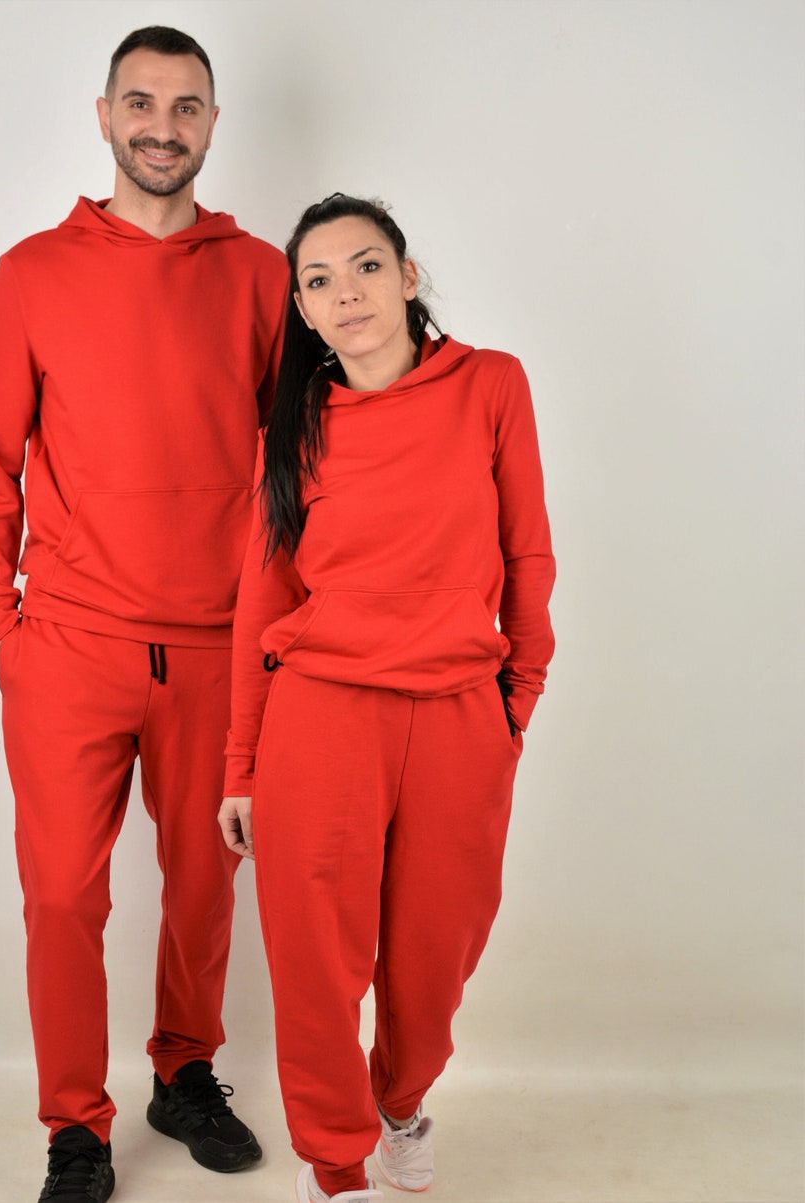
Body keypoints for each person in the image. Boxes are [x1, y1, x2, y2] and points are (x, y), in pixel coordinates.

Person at [0, 26, 288, 1203]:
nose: (163, 125)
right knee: (60, 895)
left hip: (217, 650)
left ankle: (183, 1072)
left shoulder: (259, 276)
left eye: (187, 106)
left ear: (211, 122)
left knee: (205, 886)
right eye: (140, 103)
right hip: (69, 647)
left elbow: (300, 465)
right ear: (103, 116)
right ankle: (75, 1129)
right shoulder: (32, 273)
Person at [219, 193, 555, 1203]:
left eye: (365, 266)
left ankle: (400, 1101)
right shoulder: (295, 429)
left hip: (460, 715)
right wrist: (241, 766)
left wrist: (514, 705)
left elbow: (527, 553)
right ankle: (337, 1164)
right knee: (316, 963)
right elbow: (260, 604)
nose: (345, 292)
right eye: (318, 281)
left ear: (408, 279)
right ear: (306, 314)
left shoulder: (492, 386)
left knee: (436, 951)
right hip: (320, 718)